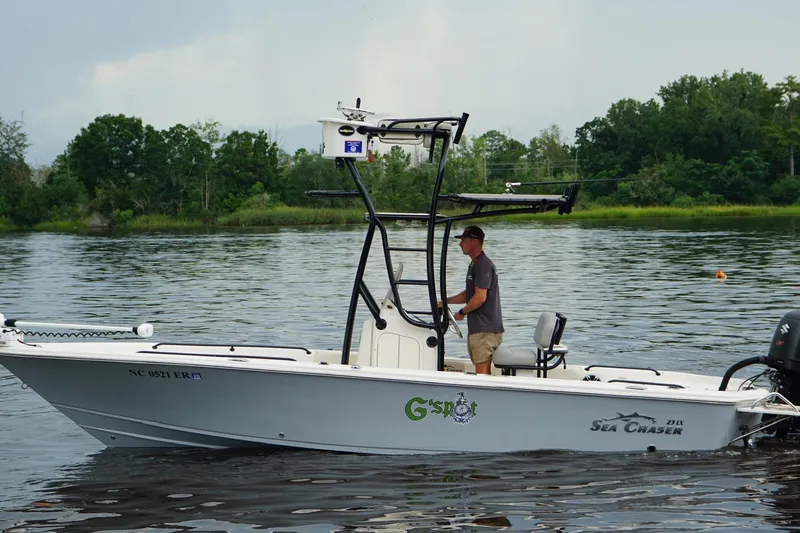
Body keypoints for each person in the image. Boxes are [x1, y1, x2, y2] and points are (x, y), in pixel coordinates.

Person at [440, 225, 504, 374]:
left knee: (482, 374)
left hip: (485, 331)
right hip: (478, 330)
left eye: (463, 240)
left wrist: (462, 312)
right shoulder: (474, 264)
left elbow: (480, 297)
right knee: (480, 372)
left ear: (474, 241)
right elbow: (469, 294)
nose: (460, 244)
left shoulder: (483, 265)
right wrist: (445, 301)